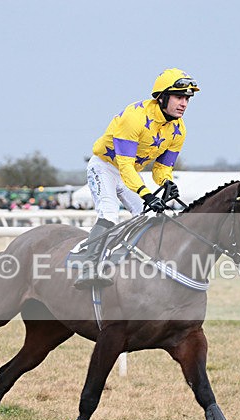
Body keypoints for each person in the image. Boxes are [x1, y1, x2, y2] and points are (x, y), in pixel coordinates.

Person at [74, 68, 199, 289]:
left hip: (130, 173)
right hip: (105, 167)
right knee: (110, 215)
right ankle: (88, 267)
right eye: (179, 97)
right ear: (162, 97)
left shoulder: (179, 129)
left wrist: (167, 182)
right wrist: (147, 194)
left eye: (187, 98)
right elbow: (124, 166)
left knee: (149, 217)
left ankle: (139, 265)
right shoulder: (134, 117)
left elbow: (161, 168)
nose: (184, 104)